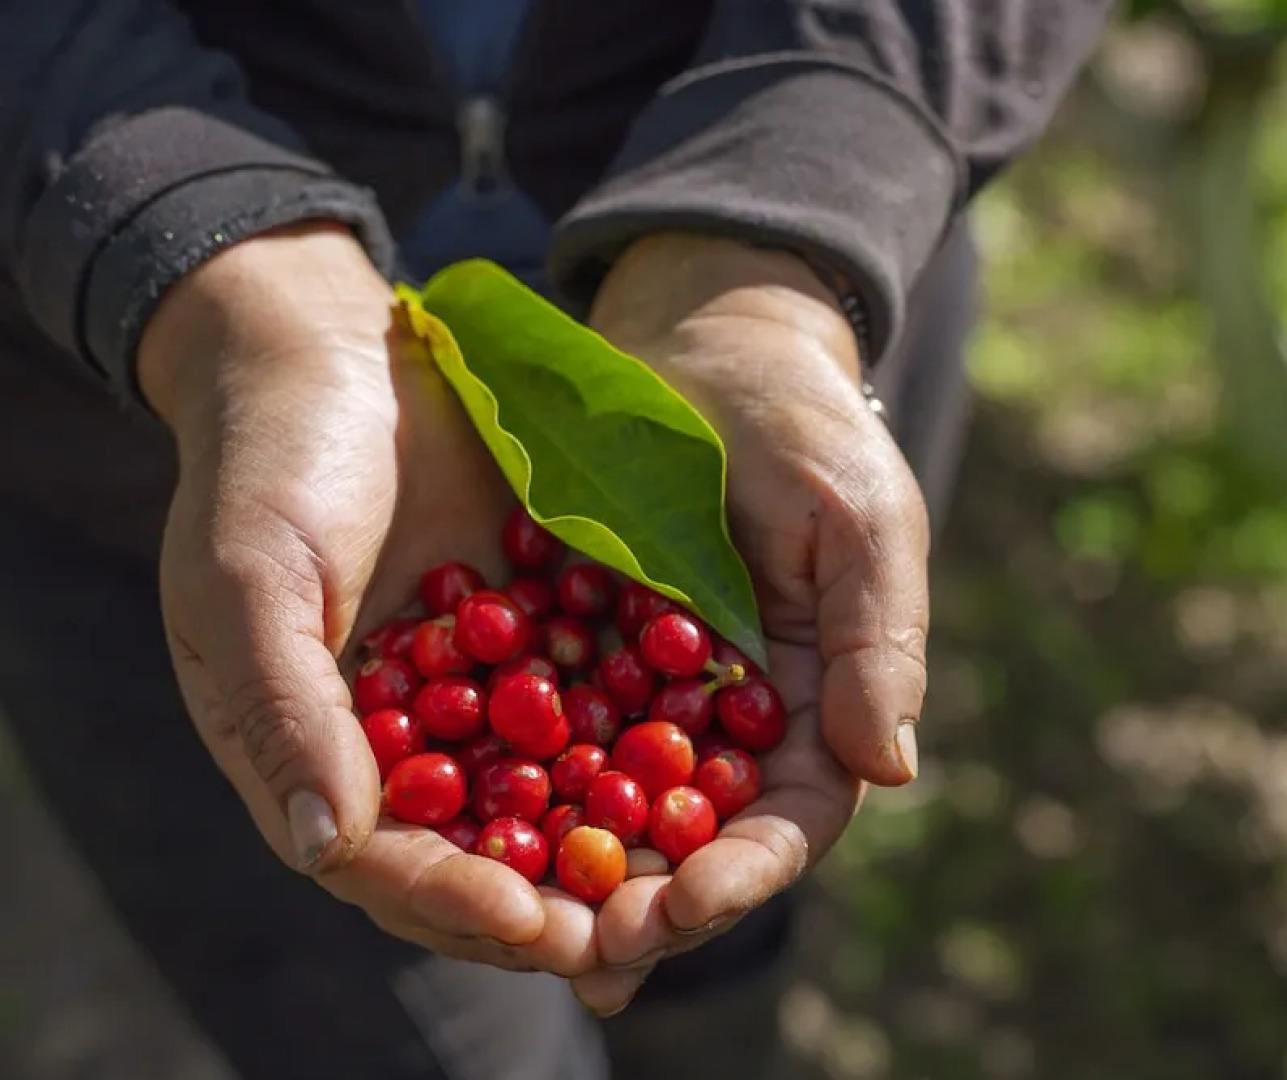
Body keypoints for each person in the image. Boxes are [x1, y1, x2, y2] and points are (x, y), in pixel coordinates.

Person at [0, 3, 1108, 1078]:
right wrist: (197, 253)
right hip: (133, 439)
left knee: (721, 936)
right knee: (380, 1021)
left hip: (784, 322)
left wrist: (788, 208)